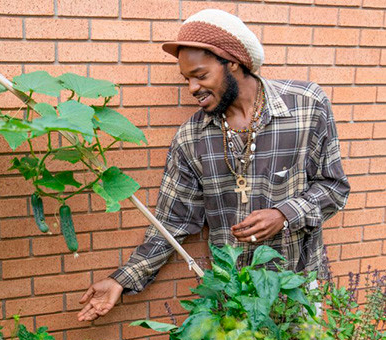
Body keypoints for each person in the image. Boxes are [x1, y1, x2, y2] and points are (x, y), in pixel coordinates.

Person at [77, 9, 350, 322]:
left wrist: (284, 215)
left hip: (297, 289)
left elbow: (334, 187)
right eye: (187, 79)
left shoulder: (307, 105)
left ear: (232, 62)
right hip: (232, 298)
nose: (192, 87)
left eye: (201, 75)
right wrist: (120, 280)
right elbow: (172, 223)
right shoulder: (191, 138)